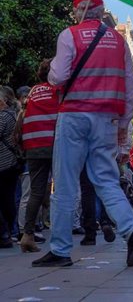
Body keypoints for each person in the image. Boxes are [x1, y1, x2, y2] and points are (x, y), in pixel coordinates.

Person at [32, 0, 133, 268]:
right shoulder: (119, 42)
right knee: (106, 180)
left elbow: (58, 77)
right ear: (100, 11)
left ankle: (60, 249)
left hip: (74, 115)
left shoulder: (69, 35)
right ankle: (132, 231)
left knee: (66, 182)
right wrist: (123, 124)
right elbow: (130, 90)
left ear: (78, 10)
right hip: (106, 119)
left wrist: (49, 71)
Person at [19, 61, 58, 253]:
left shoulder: (33, 91)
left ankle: (27, 235)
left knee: (36, 191)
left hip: (32, 145)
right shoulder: (57, 90)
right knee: (63, 190)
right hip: (53, 145)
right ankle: (60, 235)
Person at [0, 88, 21, 249]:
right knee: (9, 198)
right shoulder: (14, 114)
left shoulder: (4, 116)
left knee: (7, 199)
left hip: (4, 163)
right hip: (11, 164)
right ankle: (8, 231)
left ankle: (5, 233)